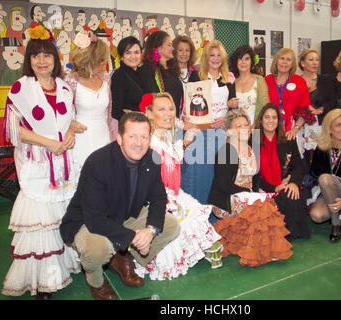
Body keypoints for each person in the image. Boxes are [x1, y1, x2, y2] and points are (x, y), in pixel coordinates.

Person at [60, 112, 181, 300]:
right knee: (98, 250)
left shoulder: (152, 158)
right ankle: (96, 283)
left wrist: (149, 231)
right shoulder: (98, 162)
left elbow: (158, 198)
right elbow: (95, 219)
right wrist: (132, 236)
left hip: (123, 213)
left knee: (171, 225)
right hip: (87, 221)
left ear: (150, 138)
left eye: (144, 136)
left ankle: (123, 259)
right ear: (119, 138)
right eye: (132, 136)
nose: (138, 143)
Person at [2, 25, 82, 299]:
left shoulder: (63, 86)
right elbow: (14, 130)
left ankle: (65, 265)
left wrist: (70, 135)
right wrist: (47, 142)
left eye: (47, 55)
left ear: (55, 58)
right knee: (41, 221)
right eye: (36, 56)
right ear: (29, 59)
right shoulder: (21, 88)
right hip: (37, 164)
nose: (42, 61)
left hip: (64, 162)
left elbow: (68, 118)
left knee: (63, 215)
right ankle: (43, 281)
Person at [133, 93, 222, 279]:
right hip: (155, 200)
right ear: (148, 114)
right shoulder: (148, 143)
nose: (168, 113)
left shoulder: (162, 138)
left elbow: (172, 156)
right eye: (161, 109)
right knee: (188, 214)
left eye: (171, 109)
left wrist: (186, 141)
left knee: (195, 213)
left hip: (171, 193)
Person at [208, 109, 293, 267]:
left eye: (246, 125)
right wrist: (249, 194)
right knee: (259, 209)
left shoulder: (249, 149)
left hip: (246, 196)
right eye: (239, 126)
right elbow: (223, 185)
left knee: (267, 205)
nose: (245, 129)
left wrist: (273, 188)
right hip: (224, 200)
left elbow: (256, 179)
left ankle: (266, 249)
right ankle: (259, 252)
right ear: (229, 131)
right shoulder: (226, 152)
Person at [181, 40, 238, 206]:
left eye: (219, 55)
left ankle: (213, 217)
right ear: (206, 57)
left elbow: (234, 107)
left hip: (220, 132)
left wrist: (226, 119)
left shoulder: (228, 78)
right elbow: (189, 103)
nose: (215, 58)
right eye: (212, 55)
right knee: (195, 173)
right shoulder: (196, 76)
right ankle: (194, 213)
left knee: (217, 174)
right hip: (199, 131)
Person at [305, 109, 341, 243]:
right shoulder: (321, 149)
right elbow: (312, 175)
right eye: (338, 125)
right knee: (316, 215)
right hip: (326, 191)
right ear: (329, 129)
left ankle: (336, 223)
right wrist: (295, 183)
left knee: (324, 178)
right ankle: (335, 213)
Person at [252, 103, 310, 239]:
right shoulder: (253, 141)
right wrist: (273, 187)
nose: (270, 121)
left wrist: (294, 182)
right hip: (262, 188)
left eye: (274, 117)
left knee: (292, 194)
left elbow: (299, 166)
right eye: (267, 117)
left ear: (279, 121)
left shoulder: (287, 140)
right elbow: (253, 174)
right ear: (261, 120)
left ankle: (288, 233)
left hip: (283, 185)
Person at [63, 31, 116, 175]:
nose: (106, 60)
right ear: (91, 58)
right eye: (101, 58)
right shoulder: (70, 81)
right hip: (80, 139)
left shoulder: (106, 79)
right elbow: (61, 113)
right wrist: (69, 124)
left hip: (103, 136)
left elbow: (108, 114)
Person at [265, 47, 315, 141]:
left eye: (288, 59)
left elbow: (305, 108)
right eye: (282, 58)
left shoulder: (299, 81)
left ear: (292, 64)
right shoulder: (266, 80)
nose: (285, 62)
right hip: (269, 129)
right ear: (276, 61)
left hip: (292, 131)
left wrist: (295, 128)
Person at [140, 31, 183, 116]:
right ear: (158, 48)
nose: (173, 48)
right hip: (158, 122)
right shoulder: (147, 70)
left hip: (175, 122)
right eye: (169, 45)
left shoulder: (172, 70)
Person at [229, 45, 270, 125]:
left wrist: (254, 126)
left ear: (252, 61)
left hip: (255, 128)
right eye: (240, 59)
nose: (243, 62)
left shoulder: (259, 80)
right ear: (235, 61)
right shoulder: (231, 81)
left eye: (247, 59)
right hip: (236, 129)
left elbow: (266, 107)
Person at [111, 36, 144, 120]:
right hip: (129, 126)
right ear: (121, 56)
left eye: (136, 52)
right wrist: (132, 117)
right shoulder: (119, 75)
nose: (133, 56)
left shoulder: (144, 73)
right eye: (128, 53)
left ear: (141, 54)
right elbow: (115, 111)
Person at [172, 35, 200, 121]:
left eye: (187, 50)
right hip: (173, 119)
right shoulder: (169, 73)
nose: (184, 53)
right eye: (180, 50)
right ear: (174, 52)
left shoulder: (196, 74)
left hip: (192, 119)